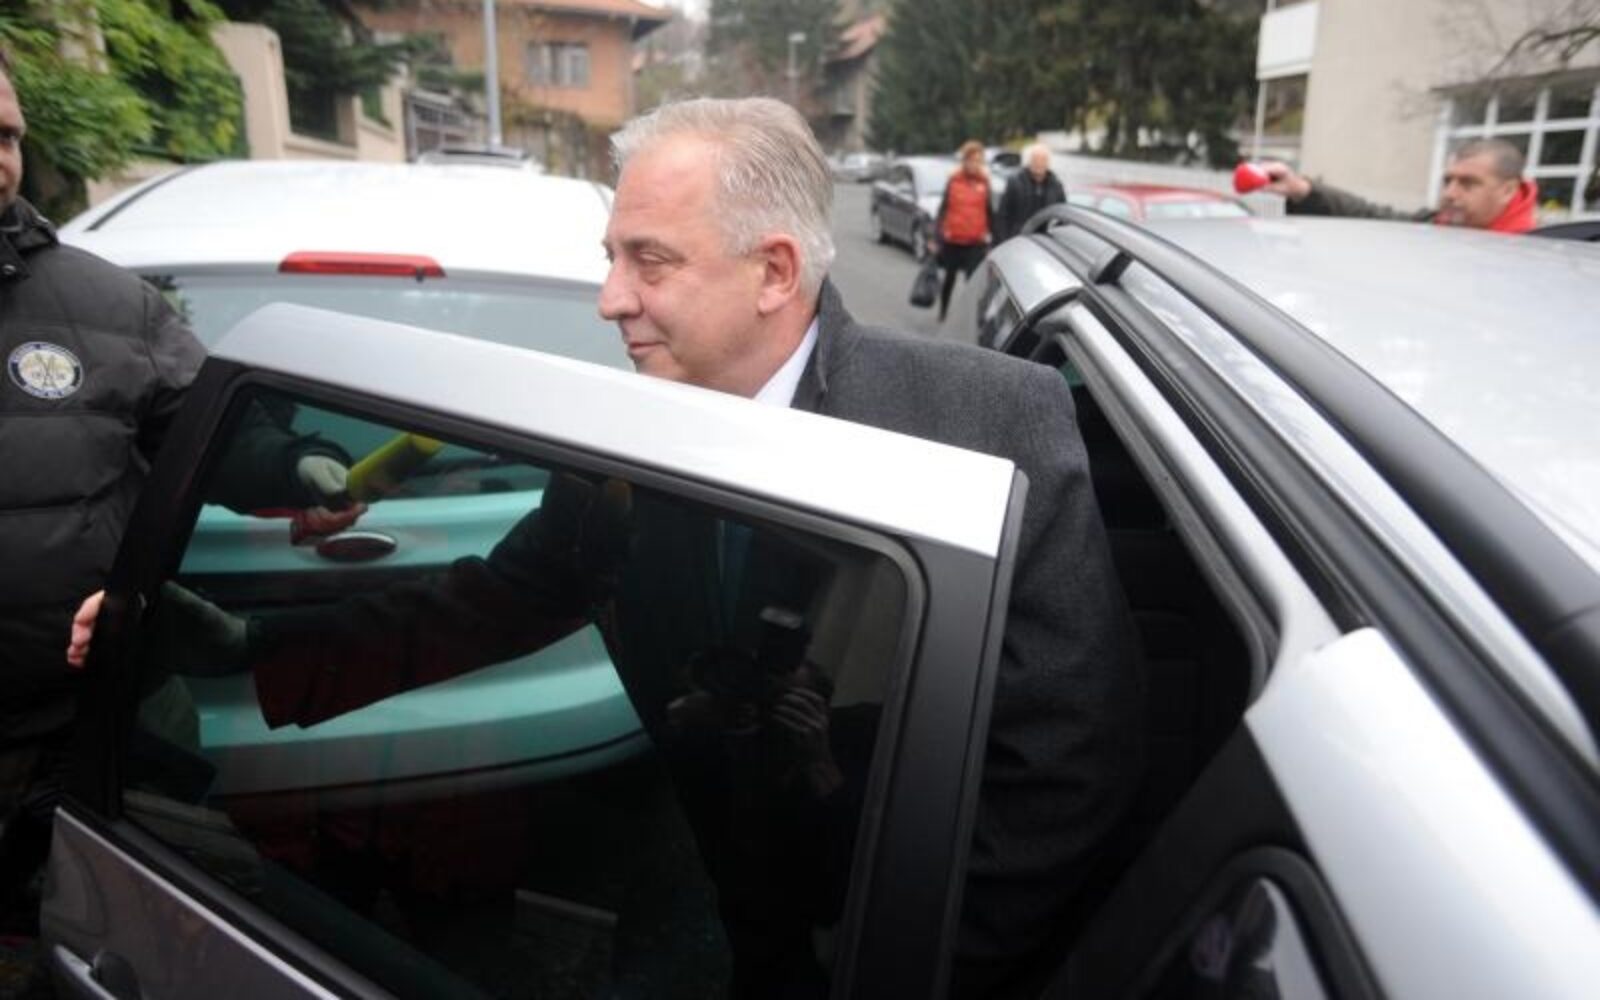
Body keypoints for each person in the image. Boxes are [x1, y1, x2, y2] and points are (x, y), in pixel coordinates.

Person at [72, 97, 1143, 999]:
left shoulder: (984, 426)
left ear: (774, 271)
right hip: (734, 921)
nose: (609, 299)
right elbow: (487, 603)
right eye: (611, 258)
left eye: (649, 262)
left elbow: (1064, 774)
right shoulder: (624, 444)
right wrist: (248, 647)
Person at [0, 48, 354, 932]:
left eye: (4, 137)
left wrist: (291, 465)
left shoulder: (109, 306)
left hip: (107, 718)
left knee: (138, 936)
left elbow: (203, 434)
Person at [1261, 137, 1539, 232]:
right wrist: (1302, 190)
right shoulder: (1438, 226)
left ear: (1507, 190)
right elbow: (1371, 216)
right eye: (1448, 181)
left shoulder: (1540, 258)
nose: (1450, 193)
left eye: (1468, 183)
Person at [932, 140, 994, 321]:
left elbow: (990, 212)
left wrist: (994, 240)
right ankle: (943, 311)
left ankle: (968, 318)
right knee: (949, 279)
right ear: (965, 161)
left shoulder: (985, 182)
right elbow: (943, 210)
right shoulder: (954, 180)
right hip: (953, 240)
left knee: (972, 283)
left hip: (975, 242)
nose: (975, 164)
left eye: (978, 161)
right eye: (972, 160)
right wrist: (936, 236)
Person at [996, 143, 1066, 243]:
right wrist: (1005, 241)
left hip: (1045, 243)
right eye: (1035, 160)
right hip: (1018, 239)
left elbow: (1062, 216)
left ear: (1048, 163)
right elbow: (1003, 215)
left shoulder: (1056, 186)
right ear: (1029, 162)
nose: (1039, 163)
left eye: (1043, 160)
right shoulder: (1015, 182)